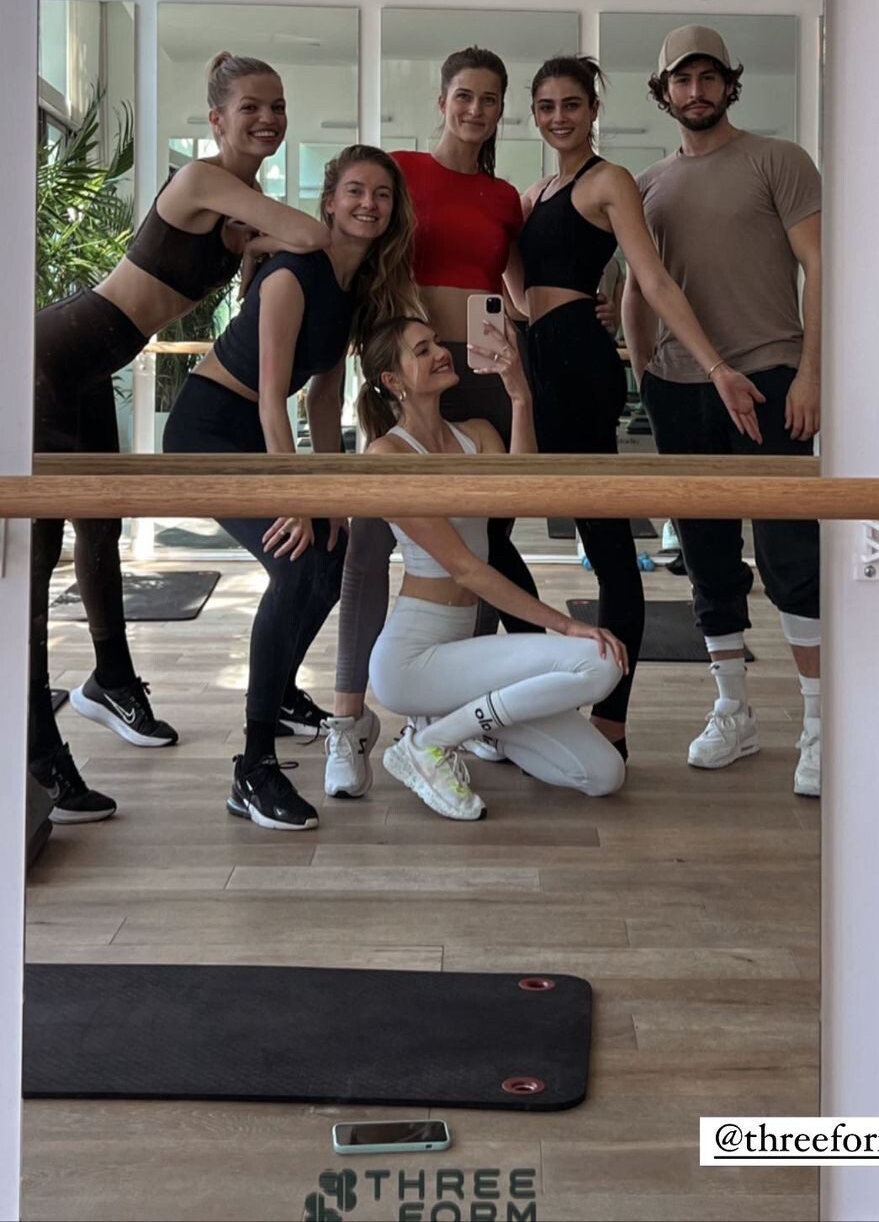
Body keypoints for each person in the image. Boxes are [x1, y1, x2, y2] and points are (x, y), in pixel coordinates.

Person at [30, 51, 332, 825]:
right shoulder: (202, 180)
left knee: (102, 528)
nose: (268, 119)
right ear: (217, 119)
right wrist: (261, 238)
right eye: (251, 107)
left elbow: (263, 246)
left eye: (278, 106)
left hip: (90, 366)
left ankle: (110, 680)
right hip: (53, 357)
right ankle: (38, 754)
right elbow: (311, 232)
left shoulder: (236, 207)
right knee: (34, 560)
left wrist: (249, 242)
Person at [506, 53, 766, 759]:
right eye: (546, 106)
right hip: (534, 360)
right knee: (493, 530)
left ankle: (611, 721)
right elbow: (519, 294)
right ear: (534, 116)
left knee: (608, 543)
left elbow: (651, 279)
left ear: (594, 110)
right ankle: (534, 683)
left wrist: (714, 365)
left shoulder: (609, 180)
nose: (559, 117)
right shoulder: (533, 194)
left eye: (572, 104)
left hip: (580, 367)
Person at [164, 146, 417, 832]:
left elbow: (320, 402)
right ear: (329, 201)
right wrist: (294, 498)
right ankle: (252, 766)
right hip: (209, 432)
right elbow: (273, 397)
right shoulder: (292, 274)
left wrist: (330, 499)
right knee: (296, 561)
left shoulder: (353, 289)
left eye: (382, 194)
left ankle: (275, 695)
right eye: (355, 190)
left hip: (255, 434)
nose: (369, 203)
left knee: (332, 558)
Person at [327, 45, 540, 802]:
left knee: (483, 540)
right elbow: (350, 238)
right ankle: (348, 720)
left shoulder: (505, 196)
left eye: (490, 99)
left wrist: (582, 309)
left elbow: (517, 290)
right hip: (407, 367)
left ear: (501, 110)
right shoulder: (404, 172)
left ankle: (453, 714)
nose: (476, 110)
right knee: (370, 541)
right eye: (464, 95)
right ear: (443, 100)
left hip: (478, 373)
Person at [621, 25, 823, 797]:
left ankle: (819, 721)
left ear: (729, 84)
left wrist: (811, 373)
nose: (696, 90)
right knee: (706, 554)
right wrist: (646, 373)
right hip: (680, 391)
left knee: (790, 553)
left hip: (771, 377)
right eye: (682, 79)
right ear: (664, 91)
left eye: (709, 77)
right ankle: (734, 709)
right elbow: (639, 287)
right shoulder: (648, 184)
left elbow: (820, 267)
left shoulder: (778, 160)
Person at [361, 316, 627, 822]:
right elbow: (465, 568)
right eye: (423, 349)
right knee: (599, 662)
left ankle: (454, 725)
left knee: (603, 774)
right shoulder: (386, 454)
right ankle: (431, 742)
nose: (441, 352)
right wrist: (566, 624)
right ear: (392, 380)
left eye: (437, 342)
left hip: (462, 657)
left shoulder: (477, 435)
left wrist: (519, 395)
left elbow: (522, 498)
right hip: (412, 660)